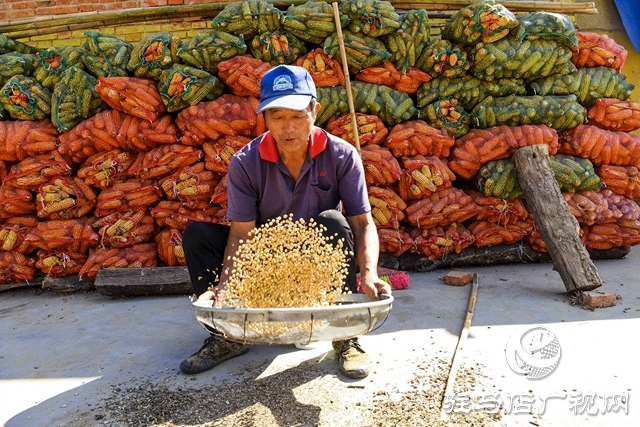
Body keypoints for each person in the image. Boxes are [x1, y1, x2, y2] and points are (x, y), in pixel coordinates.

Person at [180, 64, 391, 379]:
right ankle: (228, 334)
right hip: (263, 258)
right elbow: (241, 234)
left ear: (314, 111)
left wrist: (370, 275)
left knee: (336, 221)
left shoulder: (341, 155)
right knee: (198, 235)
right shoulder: (245, 162)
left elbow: (362, 223)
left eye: (297, 116)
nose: (287, 128)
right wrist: (224, 288)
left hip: (316, 261)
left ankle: (346, 337)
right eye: (277, 117)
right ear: (264, 118)